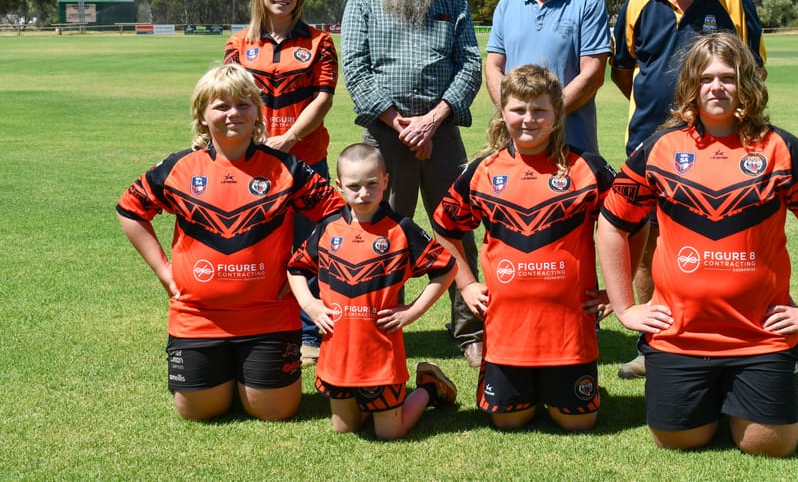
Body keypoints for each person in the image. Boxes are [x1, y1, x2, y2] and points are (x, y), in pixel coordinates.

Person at [596, 32, 798, 457]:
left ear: (746, 84)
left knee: (770, 446)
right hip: (678, 336)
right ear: (691, 87)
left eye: (728, 78)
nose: (717, 87)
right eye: (706, 77)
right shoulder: (660, 147)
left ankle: (740, 397)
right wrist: (625, 306)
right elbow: (611, 222)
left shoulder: (780, 148)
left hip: (759, 337)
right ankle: (710, 400)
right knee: (677, 440)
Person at [116, 64, 343, 422]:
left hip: (269, 315)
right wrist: (164, 272)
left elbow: (337, 217)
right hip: (196, 316)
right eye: (221, 106)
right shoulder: (179, 168)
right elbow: (130, 210)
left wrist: (301, 270)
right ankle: (232, 377)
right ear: (202, 116)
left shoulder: (286, 168)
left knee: (274, 411)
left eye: (243, 104)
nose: (233, 113)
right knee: (199, 411)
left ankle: (248, 378)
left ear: (257, 112)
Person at [610, 0, 766, 380]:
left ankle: (721, 337)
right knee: (645, 242)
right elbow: (623, 69)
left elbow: (754, 71)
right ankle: (650, 341)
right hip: (650, 145)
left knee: (719, 238)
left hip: (719, 145)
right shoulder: (639, 2)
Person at [432, 64, 617, 432]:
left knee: (578, 424)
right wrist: (467, 284)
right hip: (507, 332)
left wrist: (616, 291)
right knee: (508, 421)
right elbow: (443, 226)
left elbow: (629, 225)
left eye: (539, 110)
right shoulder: (482, 171)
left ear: (557, 114)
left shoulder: (587, 169)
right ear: (503, 112)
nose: (528, 119)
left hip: (569, 332)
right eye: (518, 109)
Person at [341, 0, 485, 368]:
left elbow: (470, 66)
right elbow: (356, 68)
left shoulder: (451, 1)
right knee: (381, 233)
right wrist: (400, 122)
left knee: (456, 230)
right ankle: (380, 323)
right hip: (384, 138)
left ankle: (469, 329)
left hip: (441, 136)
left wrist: (434, 118)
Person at [287, 143, 458, 440]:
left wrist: (414, 310)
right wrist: (310, 305)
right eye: (354, 186)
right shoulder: (328, 228)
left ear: (386, 182)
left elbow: (446, 269)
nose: (363, 193)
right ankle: (367, 401)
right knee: (344, 428)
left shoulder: (400, 229)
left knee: (390, 433)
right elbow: (296, 268)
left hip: (380, 355)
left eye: (372, 184)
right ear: (339, 186)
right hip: (337, 353)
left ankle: (428, 388)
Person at [224, 0, 339, 366]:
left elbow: (323, 99)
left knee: (310, 249)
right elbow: (227, 101)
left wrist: (289, 139)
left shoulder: (319, 42)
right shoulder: (238, 44)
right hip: (252, 165)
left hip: (305, 161)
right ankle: (263, 328)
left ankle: (311, 334)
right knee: (257, 247)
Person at [485, 0, 610, 155]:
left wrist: (545, 117)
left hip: (571, 146)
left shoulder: (588, 1)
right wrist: (514, 115)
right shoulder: (507, 4)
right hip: (515, 147)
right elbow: (492, 67)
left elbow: (593, 74)